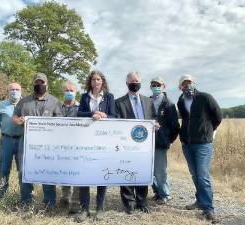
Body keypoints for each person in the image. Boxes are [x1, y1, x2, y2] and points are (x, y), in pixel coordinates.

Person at [13, 72, 62, 208]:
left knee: (47, 170)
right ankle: (26, 201)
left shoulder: (54, 101)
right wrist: (19, 121)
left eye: (42, 83)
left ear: (47, 84)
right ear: (33, 84)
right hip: (27, 143)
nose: (39, 85)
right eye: (37, 83)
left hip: (48, 144)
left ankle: (50, 202)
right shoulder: (24, 102)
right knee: (24, 171)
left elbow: (61, 121)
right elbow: (15, 117)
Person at [177, 74, 222, 222]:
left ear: (194, 83)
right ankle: (200, 201)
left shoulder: (205, 97)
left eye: (189, 82)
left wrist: (209, 132)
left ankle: (208, 209)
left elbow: (218, 116)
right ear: (180, 87)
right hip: (187, 144)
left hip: (203, 144)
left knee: (203, 176)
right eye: (184, 84)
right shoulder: (180, 101)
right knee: (195, 175)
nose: (187, 85)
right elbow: (185, 120)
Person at [75, 70, 116, 222]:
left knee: (101, 174)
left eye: (98, 79)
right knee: (84, 174)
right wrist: (92, 114)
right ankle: (84, 208)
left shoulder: (109, 97)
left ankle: (100, 208)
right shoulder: (85, 96)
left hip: (103, 141)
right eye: (93, 80)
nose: (96, 82)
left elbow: (114, 116)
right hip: (86, 139)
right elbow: (79, 114)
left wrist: (104, 115)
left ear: (102, 81)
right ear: (90, 82)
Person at [115, 71, 153, 214]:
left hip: (144, 144)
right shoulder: (118, 103)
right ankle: (129, 202)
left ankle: (141, 201)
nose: (134, 84)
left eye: (136, 81)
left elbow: (154, 118)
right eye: (131, 82)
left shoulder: (148, 101)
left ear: (141, 82)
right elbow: (116, 123)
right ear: (126, 84)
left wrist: (155, 125)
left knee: (142, 172)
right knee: (126, 171)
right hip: (126, 144)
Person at [0, 82, 23, 200]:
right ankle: (1, 194)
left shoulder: (26, 104)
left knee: (23, 169)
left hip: (23, 141)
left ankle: (26, 196)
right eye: (12, 89)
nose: (15, 92)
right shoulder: (2, 105)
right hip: (6, 140)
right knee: (3, 168)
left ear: (21, 91)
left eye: (17, 89)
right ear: (8, 91)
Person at [149, 76, 180, 204]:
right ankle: (157, 192)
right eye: (153, 85)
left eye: (158, 85)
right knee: (149, 170)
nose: (156, 87)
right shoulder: (146, 101)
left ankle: (165, 195)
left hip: (161, 142)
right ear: (150, 87)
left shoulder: (169, 104)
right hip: (146, 142)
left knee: (160, 171)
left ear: (163, 86)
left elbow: (175, 126)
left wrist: (169, 140)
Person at [60, 80, 80, 214]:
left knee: (78, 173)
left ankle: (76, 202)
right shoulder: (56, 107)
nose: (69, 93)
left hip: (78, 146)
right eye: (66, 90)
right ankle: (65, 197)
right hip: (61, 146)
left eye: (71, 90)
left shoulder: (82, 107)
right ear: (63, 92)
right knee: (64, 171)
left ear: (76, 92)